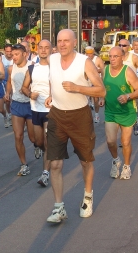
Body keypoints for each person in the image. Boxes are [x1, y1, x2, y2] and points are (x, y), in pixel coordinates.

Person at [44, 29, 105, 222]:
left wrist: (78, 88)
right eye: (59, 41)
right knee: (54, 163)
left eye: (66, 41)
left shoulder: (84, 62)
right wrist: (51, 95)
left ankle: (87, 196)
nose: (62, 44)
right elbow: (52, 80)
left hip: (79, 116)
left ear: (74, 42)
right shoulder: (53, 59)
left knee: (86, 161)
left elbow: (101, 91)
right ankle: (58, 207)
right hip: (56, 115)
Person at [99, 46, 138, 180]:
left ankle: (126, 166)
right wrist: (102, 98)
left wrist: (128, 97)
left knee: (125, 142)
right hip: (110, 112)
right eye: (110, 56)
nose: (112, 59)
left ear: (122, 58)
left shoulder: (128, 72)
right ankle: (115, 160)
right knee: (110, 141)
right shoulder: (105, 70)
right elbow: (102, 87)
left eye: (115, 56)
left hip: (127, 112)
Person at [21, 39, 52, 186]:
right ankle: (47, 152)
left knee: (47, 141)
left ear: (51, 49)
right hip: (35, 109)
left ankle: (45, 173)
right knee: (38, 141)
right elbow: (24, 87)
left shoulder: (55, 68)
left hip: (50, 110)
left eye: (47, 47)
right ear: (37, 49)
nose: (44, 50)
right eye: (41, 47)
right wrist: (29, 94)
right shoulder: (32, 68)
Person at [4, 43, 38, 176]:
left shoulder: (33, 67)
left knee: (33, 137)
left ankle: (37, 146)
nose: (14, 57)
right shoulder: (11, 68)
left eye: (17, 54)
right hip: (17, 104)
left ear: (25, 54)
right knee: (18, 136)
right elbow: (8, 82)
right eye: (12, 55)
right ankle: (24, 164)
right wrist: (8, 93)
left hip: (31, 104)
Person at [119, 38, 138, 135]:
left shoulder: (134, 58)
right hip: (119, 87)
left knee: (132, 107)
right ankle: (123, 134)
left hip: (131, 88)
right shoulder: (117, 57)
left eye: (124, 45)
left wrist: (136, 82)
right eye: (120, 45)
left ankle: (135, 121)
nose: (121, 47)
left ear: (129, 47)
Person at [84, 46, 104, 123]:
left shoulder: (97, 59)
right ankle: (87, 115)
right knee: (85, 99)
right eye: (87, 54)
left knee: (96, 99)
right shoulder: (83, 59)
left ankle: (96, 115)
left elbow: (103, 70)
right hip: (86, 81)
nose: (89, 56)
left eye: (90, 54)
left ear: (93, 53)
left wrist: (97, 71)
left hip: (95, 81)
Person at [1, 44, 14, 126]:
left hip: (14, 81)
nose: (9, 53)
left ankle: (14, 116)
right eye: (7, 51)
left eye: (10, 51)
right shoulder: (1, 58)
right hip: (5, 81)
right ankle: (9, 113)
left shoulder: (15, 58)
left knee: (14, 99)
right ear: (4, 51)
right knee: (7, 100)